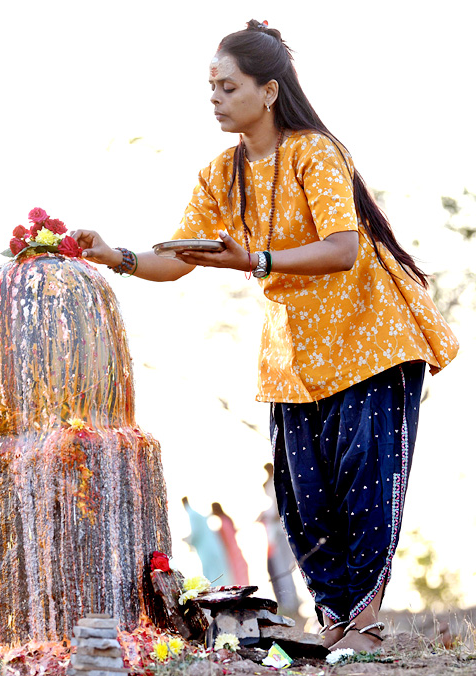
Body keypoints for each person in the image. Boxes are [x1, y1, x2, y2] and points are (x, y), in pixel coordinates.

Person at [72, 20, 459, 652]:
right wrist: (115, 255)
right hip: (296, 351)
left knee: (363, 484)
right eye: (212, 88)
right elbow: (183, 256)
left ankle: (359, 628)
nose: (216, 98)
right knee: (304, 497)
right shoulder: (221, 174)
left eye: (229, 86)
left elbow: (340, 249)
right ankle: (340, 626)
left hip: (372, 334)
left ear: (269, 91)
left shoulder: (315, 153)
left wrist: (256, 261)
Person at [257, 463, 300, 617]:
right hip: (278, 532)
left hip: (281, 532)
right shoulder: (275, 482)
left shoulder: (277, 483)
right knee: (283, 569)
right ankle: (289, 602)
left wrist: (267, 515)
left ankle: (290, 603)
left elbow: (280, 509)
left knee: (283, 569)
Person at [211, 502, 249, 585]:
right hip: (235, 552)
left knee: (237, 577)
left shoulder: (223, 522)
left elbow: (227, 540)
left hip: (232, 554)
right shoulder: (226, 519)